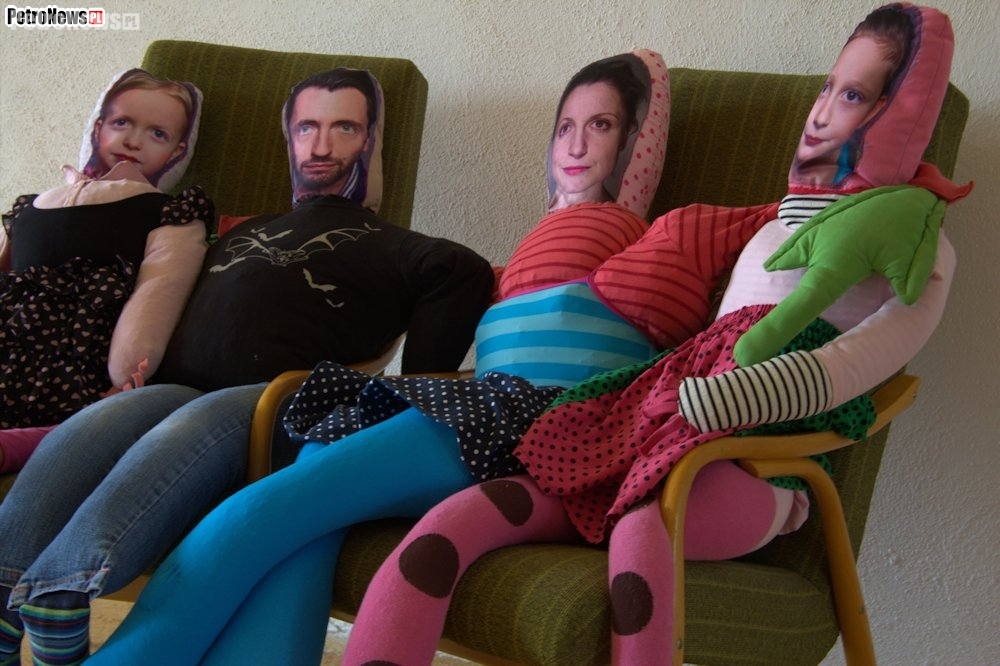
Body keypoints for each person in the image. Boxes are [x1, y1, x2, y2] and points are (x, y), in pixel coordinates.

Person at [338, 5, 971, 666]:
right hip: (653, 433)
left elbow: (864, 356)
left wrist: (755, 390)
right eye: (827, 89)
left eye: (853, 95)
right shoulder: (772, 227)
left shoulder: (914, 242)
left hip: (758, 471)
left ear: (898, 111)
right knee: (457, 521)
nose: (821, 114)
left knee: (646, 519)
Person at [86, 50, 671, 666]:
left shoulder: (667, 235)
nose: (576, 145)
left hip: (542, 424)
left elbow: (725, 292)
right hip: (468, 401)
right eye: (565, 126)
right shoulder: (527, 252)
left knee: (270, 511)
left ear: (637, 139)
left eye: (601, 124)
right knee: (307, 518)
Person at [0, 67, 495, 666]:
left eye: (344, 127)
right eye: (306, 127)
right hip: (175, 386)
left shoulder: (395, 246)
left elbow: (463, 271)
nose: (320, 145)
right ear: (288, 137)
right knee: (90, 426)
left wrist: (407, 400)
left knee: (191, 423)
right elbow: (156, 280)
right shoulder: (239, 230)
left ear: (371, 141)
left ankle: (63, 586)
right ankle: (5, 584)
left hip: (275, 399)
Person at [0, 68, 207, 464]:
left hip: (83, 349)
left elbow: (160, 286)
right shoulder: (30, 205)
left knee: (79, 410)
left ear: (177, 152)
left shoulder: (168, 211)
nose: (133, 140)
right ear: (97, 128)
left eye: (157, 134)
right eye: (122, 123)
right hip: (11, 333)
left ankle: (36, 441)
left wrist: (128, 369)